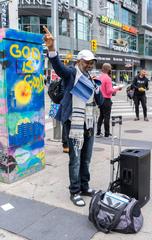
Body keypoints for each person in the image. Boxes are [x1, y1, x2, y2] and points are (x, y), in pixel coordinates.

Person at [43, 26, 103, 207]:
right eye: (86, 62)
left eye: (92, 62)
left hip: (89, 123)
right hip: (74, 122)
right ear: (79, 61)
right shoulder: (71, 74)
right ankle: (74, 191)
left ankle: (85, 187)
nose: (90, 64)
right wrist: (52, 49)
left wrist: (99, 89)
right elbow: (58, 67)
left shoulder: (91, 78)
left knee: (86, 158)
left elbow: (99, 101)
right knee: (75, 159)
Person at [96, 63, 122, 137]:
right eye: (110, 68)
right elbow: (109, 91)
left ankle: (98, 132)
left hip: (100, 99)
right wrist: (117, 88)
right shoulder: (108, 78)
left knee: (101, 116)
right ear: (108, 69)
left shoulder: (99, 77)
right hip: (106, 99)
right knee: (107, 116)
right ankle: (107, 133)